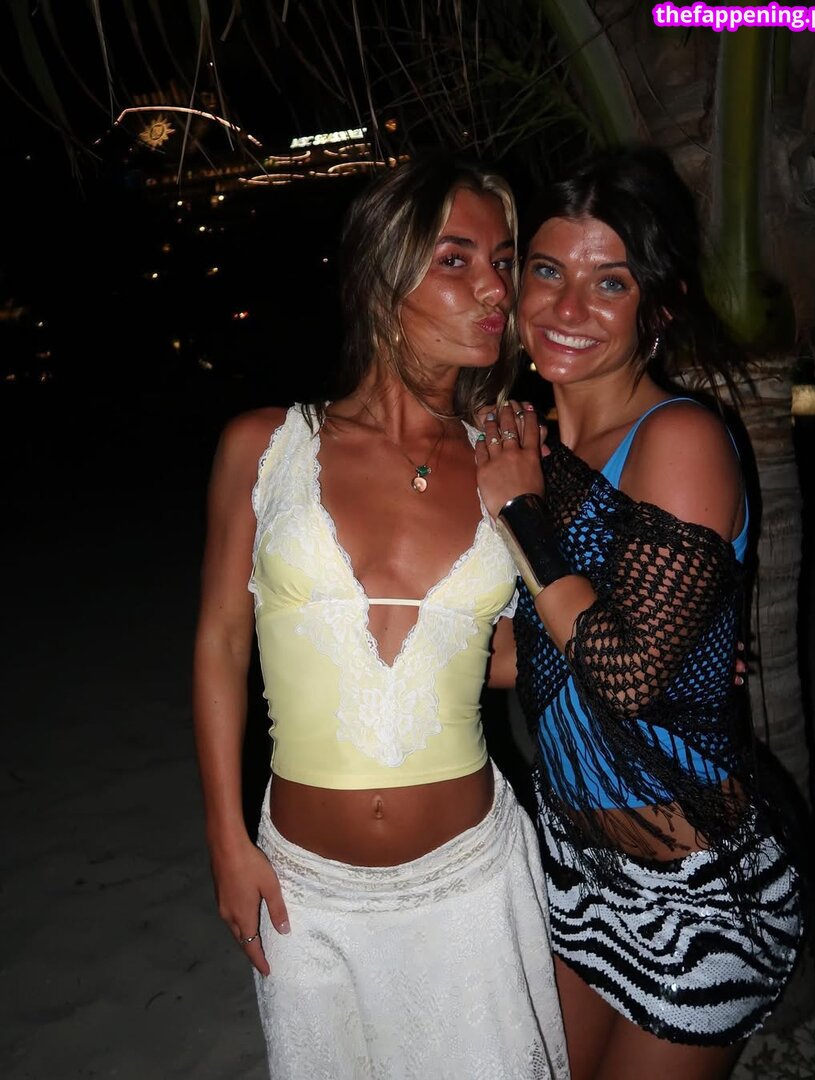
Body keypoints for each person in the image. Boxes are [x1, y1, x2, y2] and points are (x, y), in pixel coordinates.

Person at [191, 151, 569, 1079]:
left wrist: (659, 643)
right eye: (456, 259)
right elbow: (222, 640)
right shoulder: (265, 445)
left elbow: (516, 653)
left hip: (469, 882)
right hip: (304, 889)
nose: (495, 288)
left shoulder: (509, 458)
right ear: (382, 276)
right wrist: (225, 840)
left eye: (502, 261)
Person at [474, 146, 804, 1079]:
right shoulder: (528, 447)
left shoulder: (679, 437)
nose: (567, 307)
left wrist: (520, 514)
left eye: (608, 282)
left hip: (696, 890)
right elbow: (519, 657)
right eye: (547, 271)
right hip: (573, 866)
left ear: (656, 310)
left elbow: (624, 677)